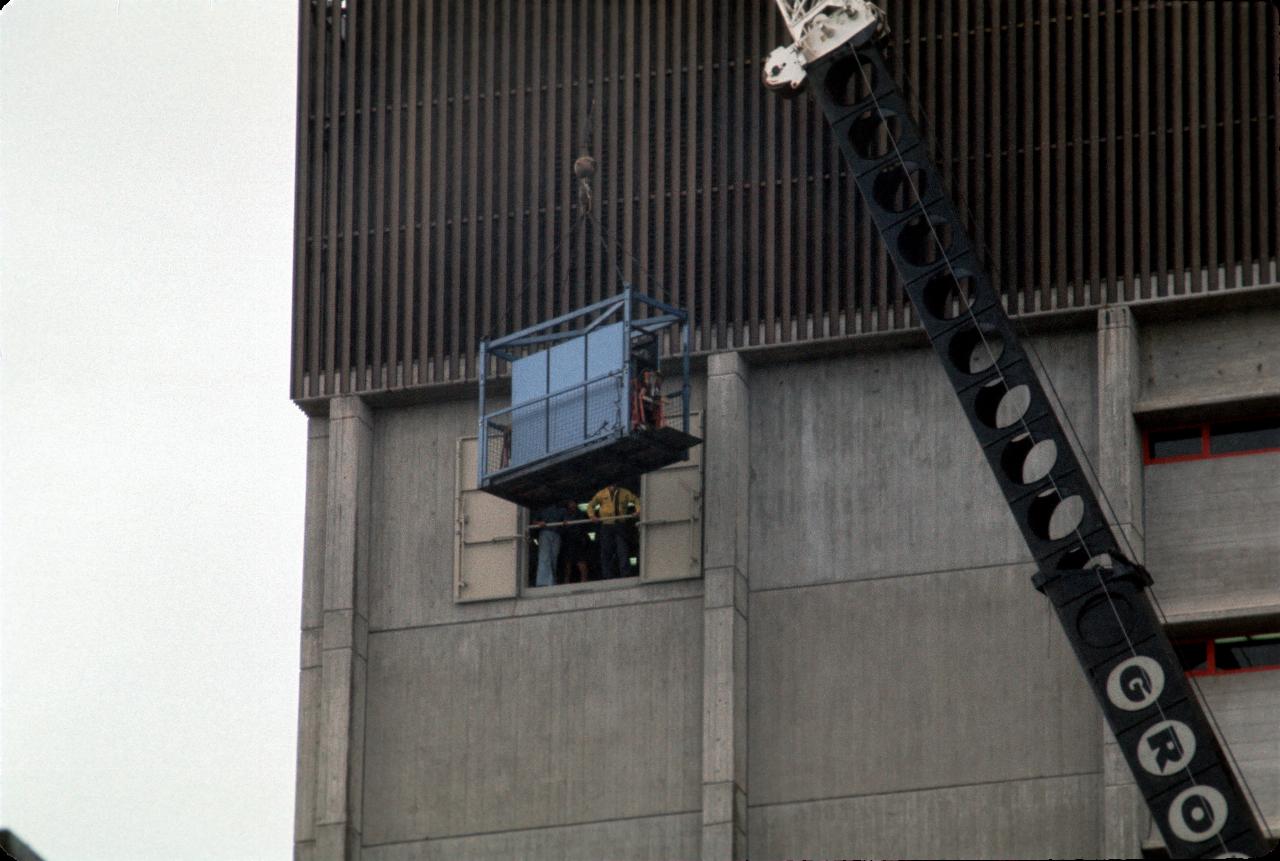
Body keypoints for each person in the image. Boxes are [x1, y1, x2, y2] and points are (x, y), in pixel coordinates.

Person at [588, 482, 640, 580]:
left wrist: (638, 510)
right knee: (606, 551)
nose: (612, 486)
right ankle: (607, 575)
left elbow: (636, 500)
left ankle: (625, 573)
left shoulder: (624, 492)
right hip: (606, 525)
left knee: (622, 549)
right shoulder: (602, 493)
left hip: (620, 524)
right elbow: (591, 505)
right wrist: (592, 515)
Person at [531, 501, 569, 587]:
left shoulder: (562, 509)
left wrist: (564, 523)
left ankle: (551, 581)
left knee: (553, 558)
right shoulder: (542, 507)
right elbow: (534, 521)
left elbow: (566, 521)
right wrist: (539, 523)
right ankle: (543, 582)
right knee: (544, 557)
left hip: (556, 534)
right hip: (545, 532)